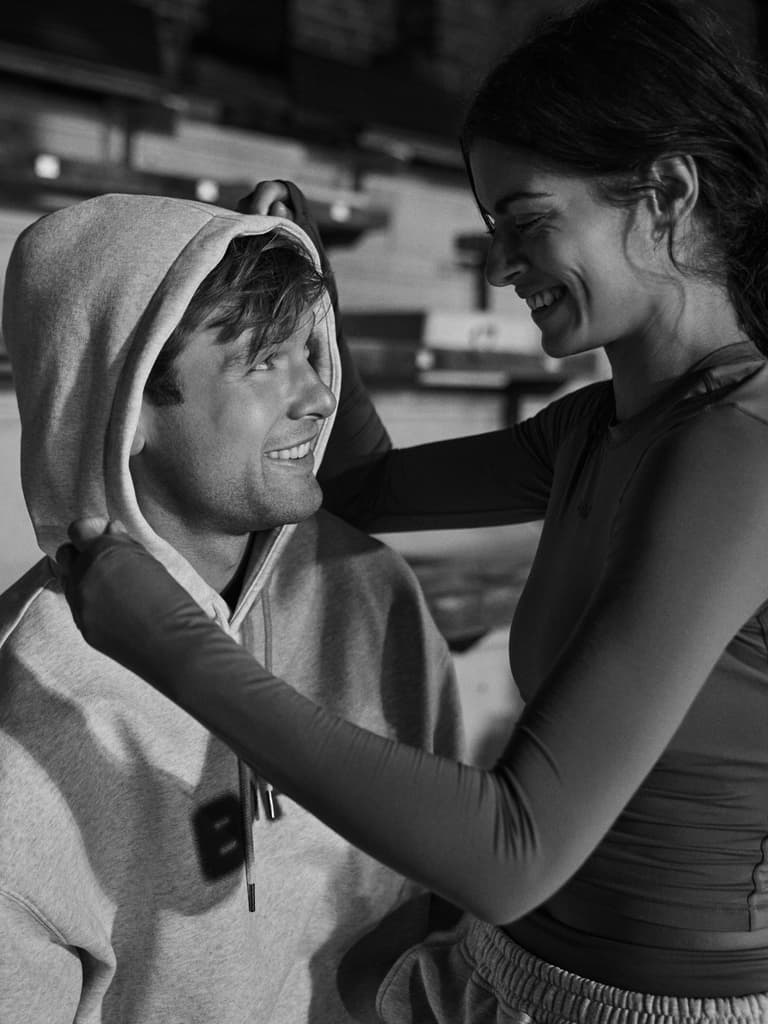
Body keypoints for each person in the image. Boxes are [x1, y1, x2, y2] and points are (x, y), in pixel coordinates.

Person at [58, 0, 768, 1021]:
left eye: (524, 221)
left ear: (665, 191)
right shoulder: (599, 428)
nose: (499, 266)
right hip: (508, 974)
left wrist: (171, 645)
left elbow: (511, 849)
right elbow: (363, 489)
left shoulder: (737, 450)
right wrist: (320, 313)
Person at [0, 192, 464, 1023]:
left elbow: (457, 892)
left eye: (309, 352)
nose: (319, 397)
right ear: (128, 405)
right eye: (261, 361)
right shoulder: (22, 731)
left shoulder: (369, 590)